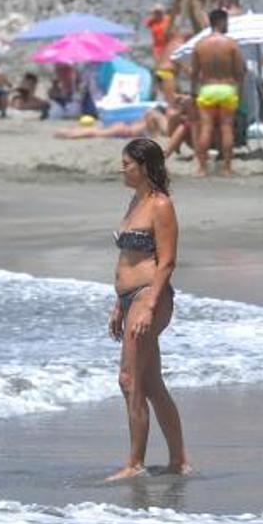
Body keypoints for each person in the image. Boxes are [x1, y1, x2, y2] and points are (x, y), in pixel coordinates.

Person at [107, 138, 188, 481]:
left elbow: (166, 261)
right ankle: (179, 461)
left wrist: (147, 306)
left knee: (129, 380)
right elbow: (128, 258)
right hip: (130, 298)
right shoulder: (135, 200)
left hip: (150, 296)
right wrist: (118, 304)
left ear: (144, 166)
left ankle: (134, 463)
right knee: (151, 383)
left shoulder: (160, 205)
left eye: (127, 163)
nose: (122, 169)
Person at [190, 9, 245, 178]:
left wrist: (193, 94)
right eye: (226, 22)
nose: (227, 25)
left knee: (205, 128)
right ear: (220, 22)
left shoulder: (199, 45)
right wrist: (240, 92)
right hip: (227, 89)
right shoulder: (231, 44)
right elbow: (240, 72)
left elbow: (194, 73)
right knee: (226, 128)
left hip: (207, 89)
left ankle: (202, 169)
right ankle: (227, 168)